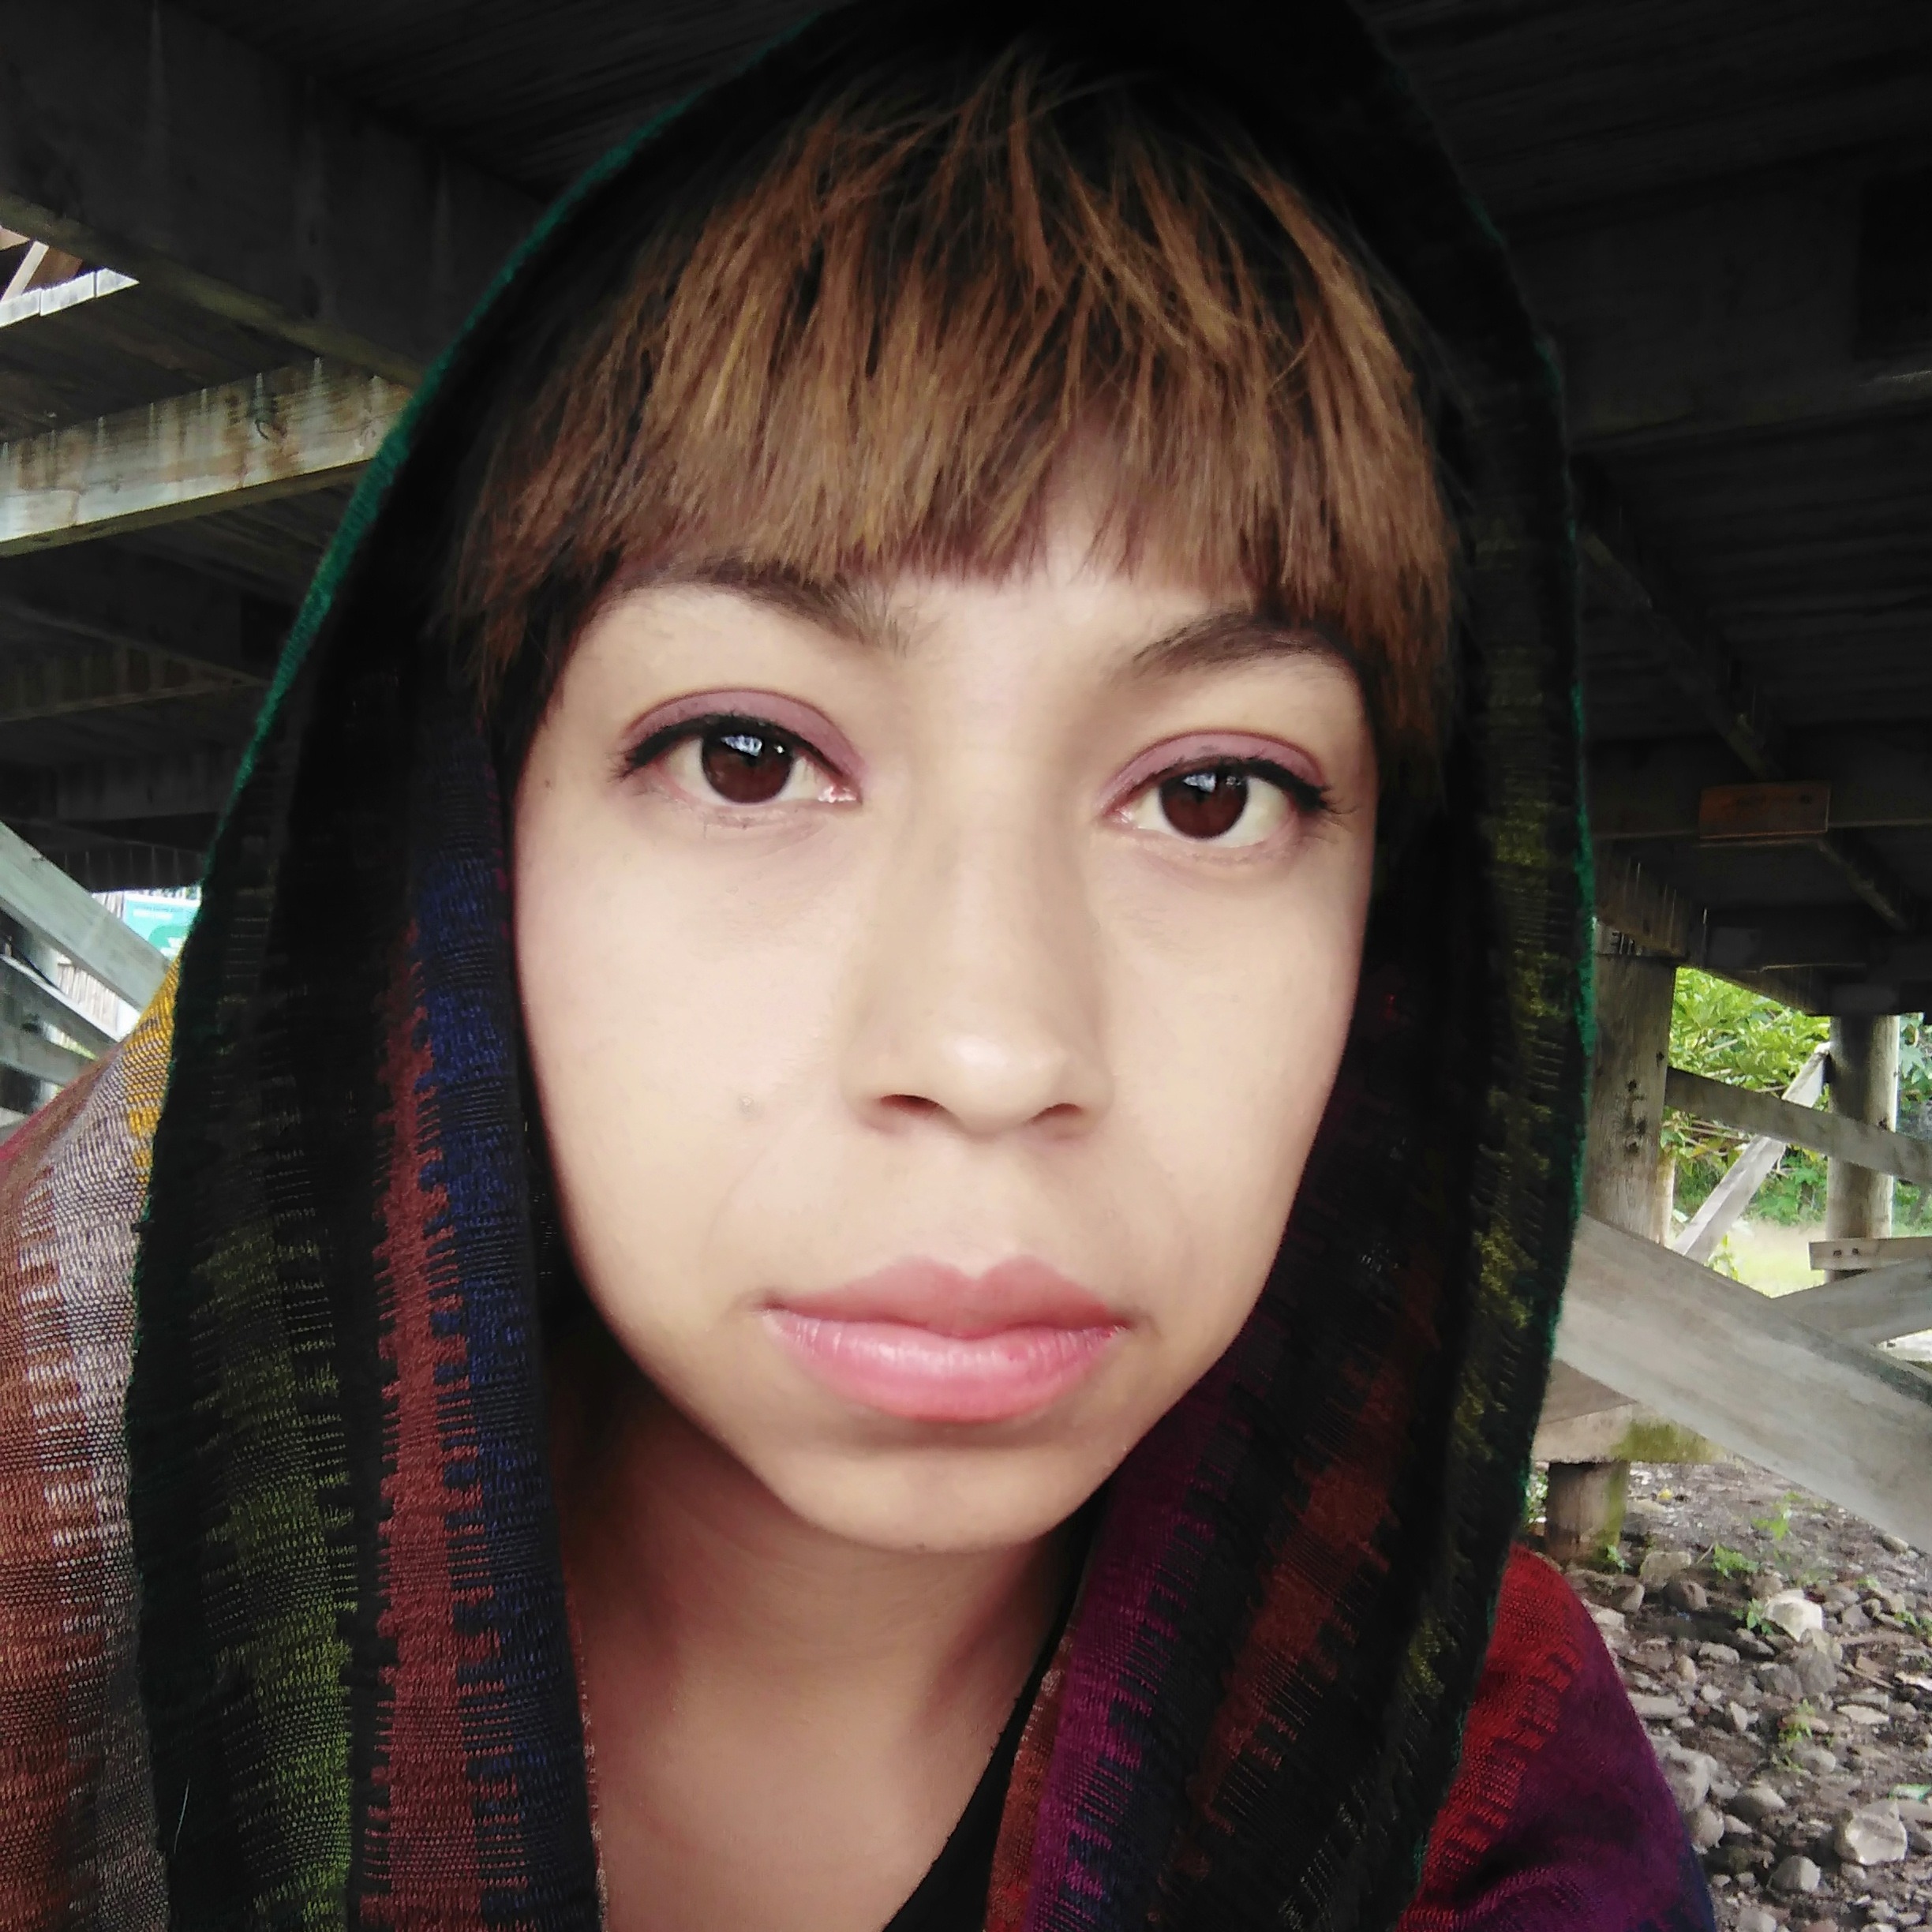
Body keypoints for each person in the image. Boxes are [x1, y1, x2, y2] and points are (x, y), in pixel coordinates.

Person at [0, 3, 1716, 1929]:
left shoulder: (1494, 1805)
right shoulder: (40, 1538)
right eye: (748, 757)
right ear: (472, 868)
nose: (989, 1049)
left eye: (1212, 793)